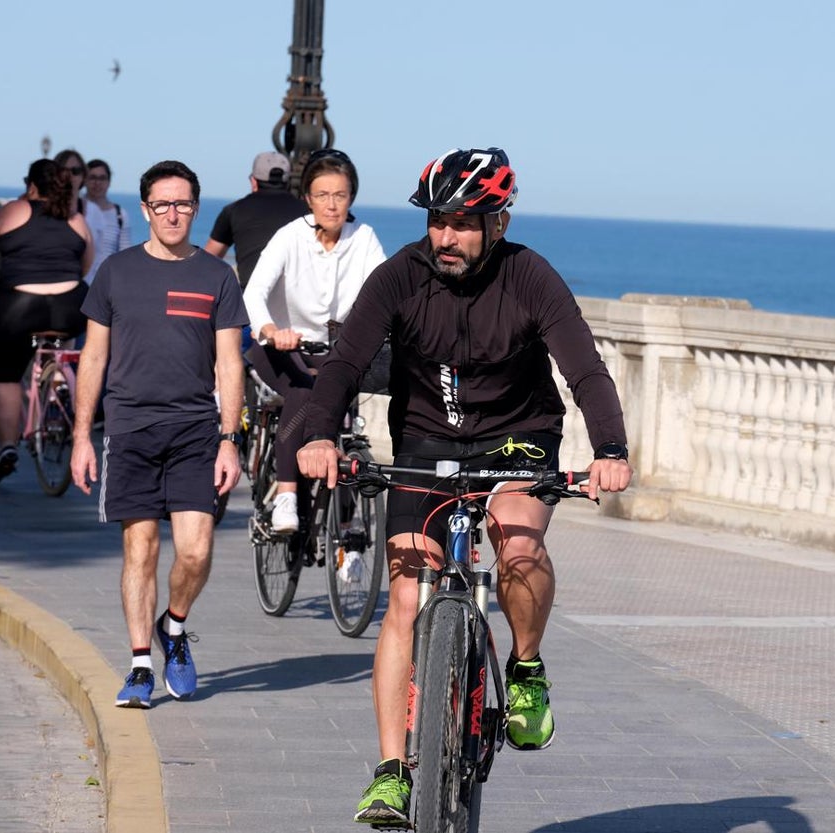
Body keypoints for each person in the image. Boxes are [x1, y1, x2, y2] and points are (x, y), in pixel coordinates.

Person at [296, 147, 634, 825]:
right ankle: (393, 770)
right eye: (437, 221)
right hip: (426, 440)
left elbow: (585, 368)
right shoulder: (400, 277)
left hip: (517, 435)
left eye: (462, 223)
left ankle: (528, 668)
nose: (445, 236)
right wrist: (318, 434)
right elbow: (345, 361)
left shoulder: (531, 277)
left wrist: (610, 448)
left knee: (518, 546)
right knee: (402, 595)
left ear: (498, 223)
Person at [69, 160, 246, 709]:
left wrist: (229, 438)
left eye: (184, 204)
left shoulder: (217, 276)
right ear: (145, 209)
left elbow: (229, 365)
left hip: (196, 430)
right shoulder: (115, 273)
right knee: (140, 548)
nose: (173, 214)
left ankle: (175, 626)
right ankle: (141, 665)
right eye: (162, 204)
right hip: (130, 430)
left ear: (197, 208)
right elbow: (93, 356)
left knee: (194, 551)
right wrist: (81, 436)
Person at [243, 148, 385, 533]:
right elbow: (254, 293)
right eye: (322, 195)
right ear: (307, 197)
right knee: (306, 393)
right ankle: (287, 493)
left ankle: (347, 531)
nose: (332, 205)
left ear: (351, 197)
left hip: (337, 355)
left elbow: (385, 295)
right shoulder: (290, 237)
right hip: (282, 350)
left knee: (344, 423)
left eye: (340, 195)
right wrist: (272, 331)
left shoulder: (365, 239)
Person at [0, 158, 93, 480]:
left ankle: (7, 446)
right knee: (52, 341)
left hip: (20, 309)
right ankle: (58, 380)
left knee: (3, 372)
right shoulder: (75, 218)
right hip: (71, 307)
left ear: (31, 185)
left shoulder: (16, 209)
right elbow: (86, 264)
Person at [204, 151, 308, 288]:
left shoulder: (234, 211)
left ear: (253, 181)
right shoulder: (306, 211)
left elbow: (208, 260)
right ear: (288, 181)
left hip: (250, 297)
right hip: (295, 297)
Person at [81, 158, 131, 283]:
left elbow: (125, 255)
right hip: (79, 282)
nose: (97, 183)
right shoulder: (76, 211)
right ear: (84, 181)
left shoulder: (120, 214)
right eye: (92, 178)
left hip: (106, 283)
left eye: (102, 178)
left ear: (109, 182)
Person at [54, 149, 87, 216]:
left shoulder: (93, 212)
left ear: (83, 176)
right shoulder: (41, 209)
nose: (70, 175)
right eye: (63, 170)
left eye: (75, 171)